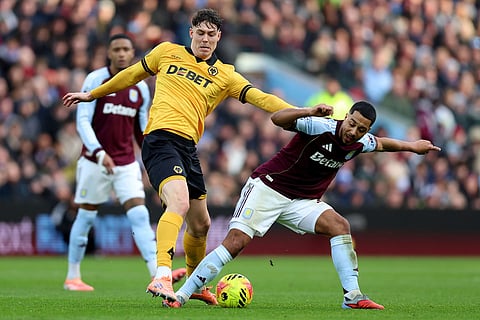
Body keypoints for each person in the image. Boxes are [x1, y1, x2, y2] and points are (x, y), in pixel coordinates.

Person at [63, 9, 300, 302]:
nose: (205, 39)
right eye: (200, 32)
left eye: (211, 34)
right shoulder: (167, 52)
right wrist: (92, 95)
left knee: (201, 224)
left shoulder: (225, 74)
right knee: (179, 203)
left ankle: (195, 285)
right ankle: (162, 275)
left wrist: (301, 112)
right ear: (191, 33)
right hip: (160, 139)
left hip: (188, 147)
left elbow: (261, 98)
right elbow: (130, 75)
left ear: (218, 38)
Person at [162, 101, 441, 309]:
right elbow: (277, 118)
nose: (354, 131)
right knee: (236, 242)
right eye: (352, 123)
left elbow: (381, 144)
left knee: (340, 226)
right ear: (346, 117)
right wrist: (307, 111)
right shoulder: (320, 126)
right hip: (268, 188)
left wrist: (413, 146)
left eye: (361, 129)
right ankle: (183, 295)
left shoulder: (360, 142)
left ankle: (353, 296)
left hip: (302, 202)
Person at [63, 34, 186, 291]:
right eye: (116, 49)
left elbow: (142, 131)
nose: (121, 54)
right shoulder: (96, 80)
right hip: (94, 161)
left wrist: (151, 163)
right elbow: (82, 120)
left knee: (140, 215)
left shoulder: (140, 88)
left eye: (126, 49)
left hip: (126, 163)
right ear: (109, 53)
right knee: (85, 217)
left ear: (132, 54)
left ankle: (157, 274)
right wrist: (98, 153)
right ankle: (73, 277)